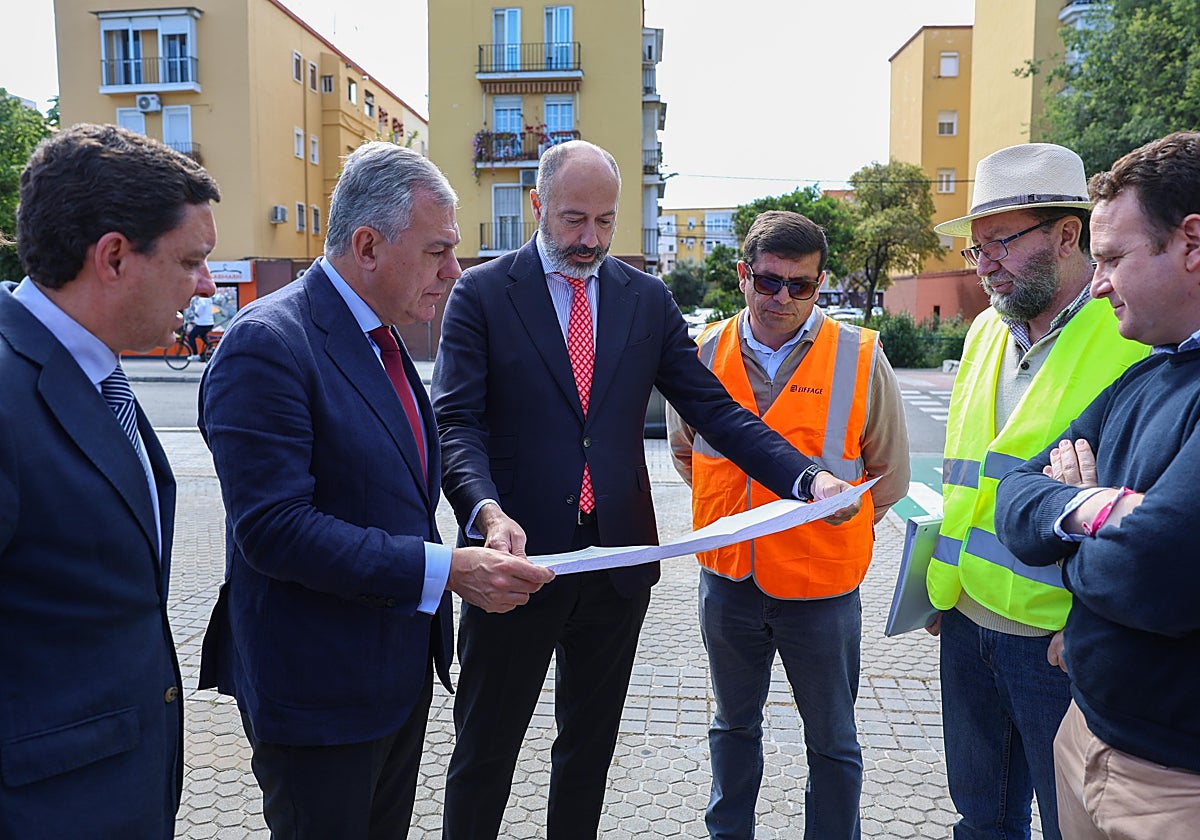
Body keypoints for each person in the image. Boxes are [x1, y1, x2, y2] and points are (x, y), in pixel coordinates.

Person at [431, 140, 861, 840]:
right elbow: (456, 421)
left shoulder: (644, 299)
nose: (590, 239)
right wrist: (484, 511)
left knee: (588, 751)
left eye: (605, 221)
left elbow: (714, 408)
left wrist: (804, 476)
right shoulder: (483, 293)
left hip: (616, 566)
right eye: (573, 220)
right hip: (513, 562)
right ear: (537, 206)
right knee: (486, 752)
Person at [196, 142, 554, 839]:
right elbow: (274, 530)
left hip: (391, 679)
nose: (454, 272)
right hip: (317, 693)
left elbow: (395, 478)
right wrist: (448, 569)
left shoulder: (381, 337)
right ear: (366, 245)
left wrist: (482, 516)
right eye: (437, 251)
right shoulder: (268, 344)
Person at [0, 124, 220, 837]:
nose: (207, 287)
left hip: (116, 791)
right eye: (192, 261)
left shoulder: (97, 371)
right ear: (116, 257)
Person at [924, 142, 1148, 840]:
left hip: (1060, 640)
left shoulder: (1132, 335)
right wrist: (939, 588)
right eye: (975, 245)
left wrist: (1091, 623)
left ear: (1065, 234)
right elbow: (965, 477)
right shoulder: (985, 332)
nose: (983, 261)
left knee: (1069, 826)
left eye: (1001, 242)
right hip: (966, 621)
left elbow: (1147, 515)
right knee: (980, 818)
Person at [666, 210, 910, 839]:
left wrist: (831, 534)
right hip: (728, 580)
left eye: (800, 286)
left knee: (832, 740)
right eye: (769, 282)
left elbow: (888, 477)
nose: (782, 298)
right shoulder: (703, 352)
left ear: (820, 284)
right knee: (732, 727)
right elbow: (687, 454)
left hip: (822, 589)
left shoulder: (859, 356)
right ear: (743, 275)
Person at [995, 130, 1200, 840]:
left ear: (1191, 244)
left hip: (1173, 786)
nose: (1101, 280)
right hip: (1088, 732)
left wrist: (1066, 534)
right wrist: (1100, 508)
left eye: (1113, 258)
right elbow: (1014, 499)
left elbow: (1159, 574)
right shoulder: (1149, 373)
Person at [186, 293, 215, 359]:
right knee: (202, 335)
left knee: (191, 336)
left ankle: (195, 354)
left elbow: (198, 313)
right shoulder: (208, 299)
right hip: (209, 323)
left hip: (203, 324)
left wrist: (195, 311)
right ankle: (211, 348)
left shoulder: (201, 300)